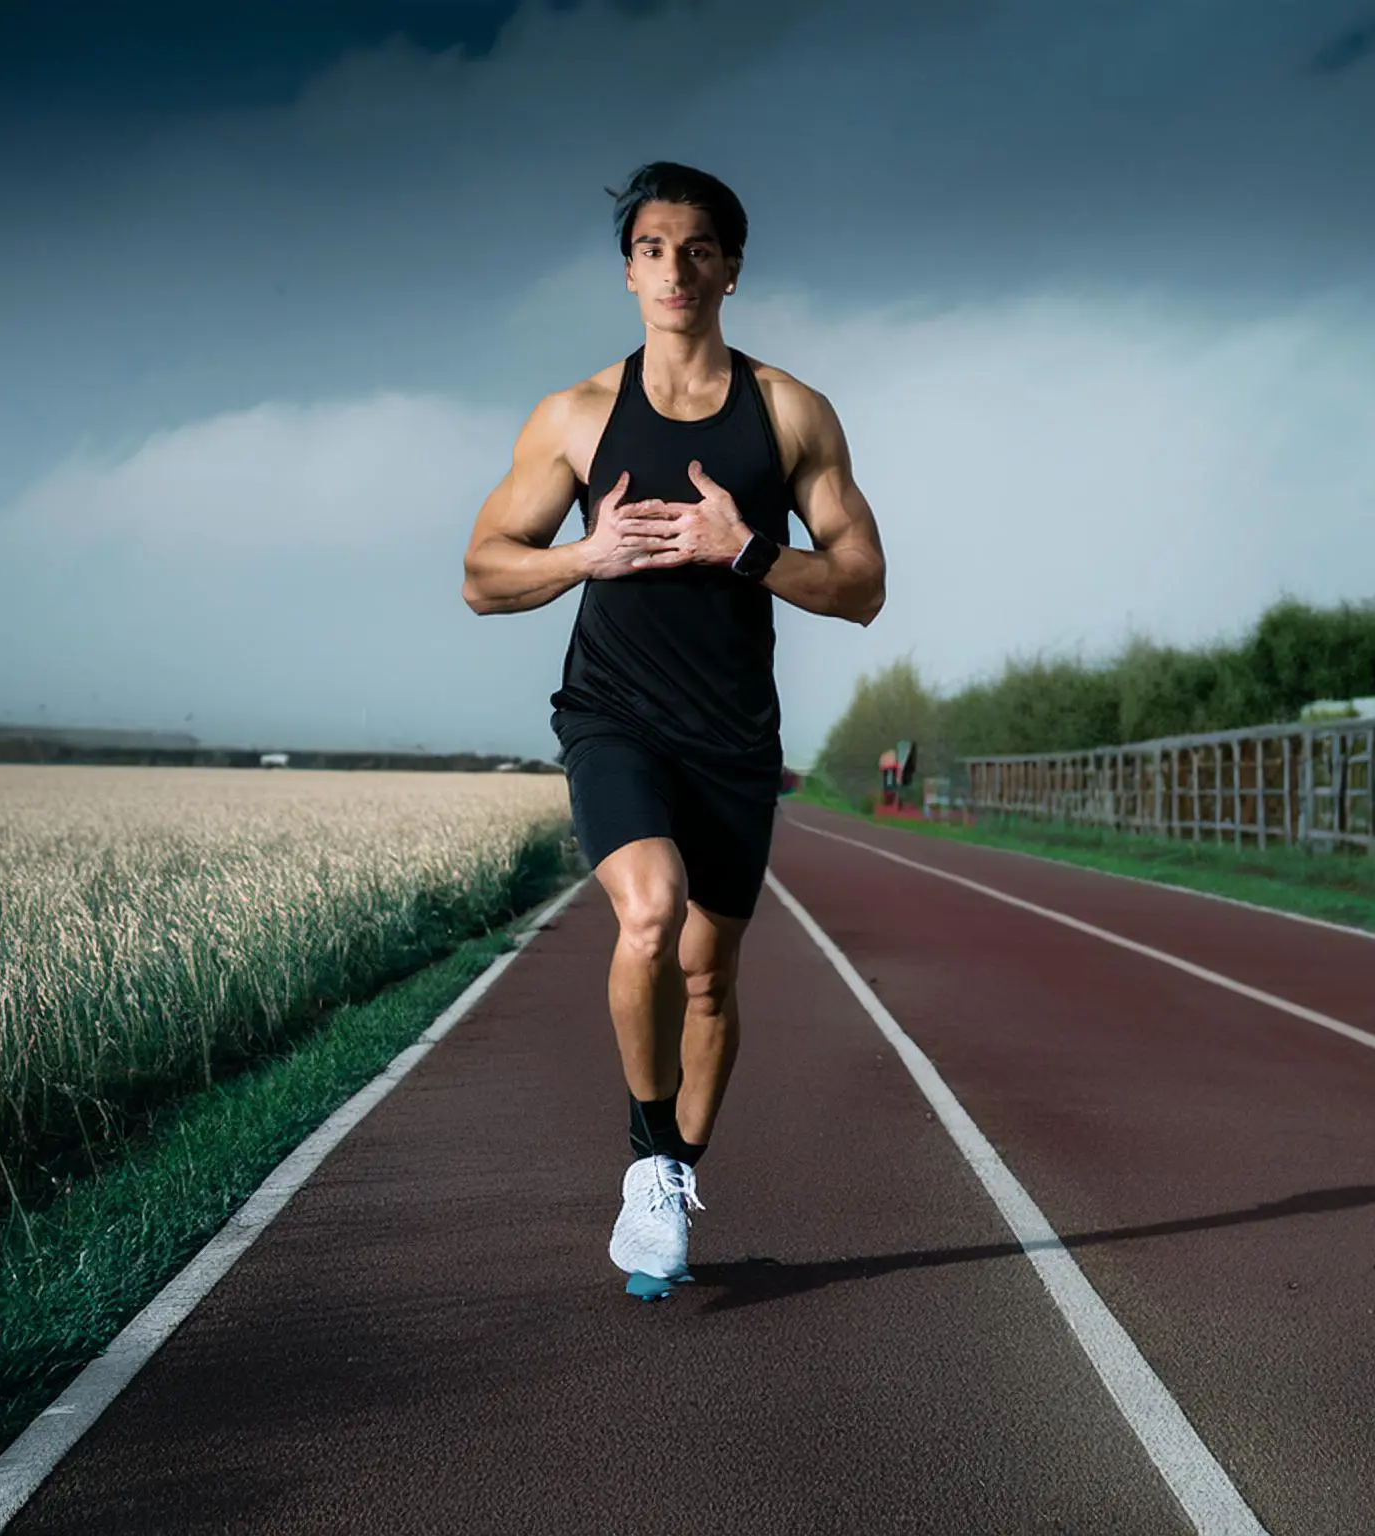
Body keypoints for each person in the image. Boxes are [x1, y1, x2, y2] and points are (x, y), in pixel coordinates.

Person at [459, 161, 889, 1291]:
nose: (674, 270)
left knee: (707, 977)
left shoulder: (790, 412)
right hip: (614, 717)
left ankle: (675, 1168)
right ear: (627, 272)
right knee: (647, 915)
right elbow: (480, 575)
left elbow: (863, 585)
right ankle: (649, 1166)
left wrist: (741, 548)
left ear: (732, 269)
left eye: (697, 249)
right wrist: (583, 559)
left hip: (735, 738)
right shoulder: (576, 417)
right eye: (652, 249)